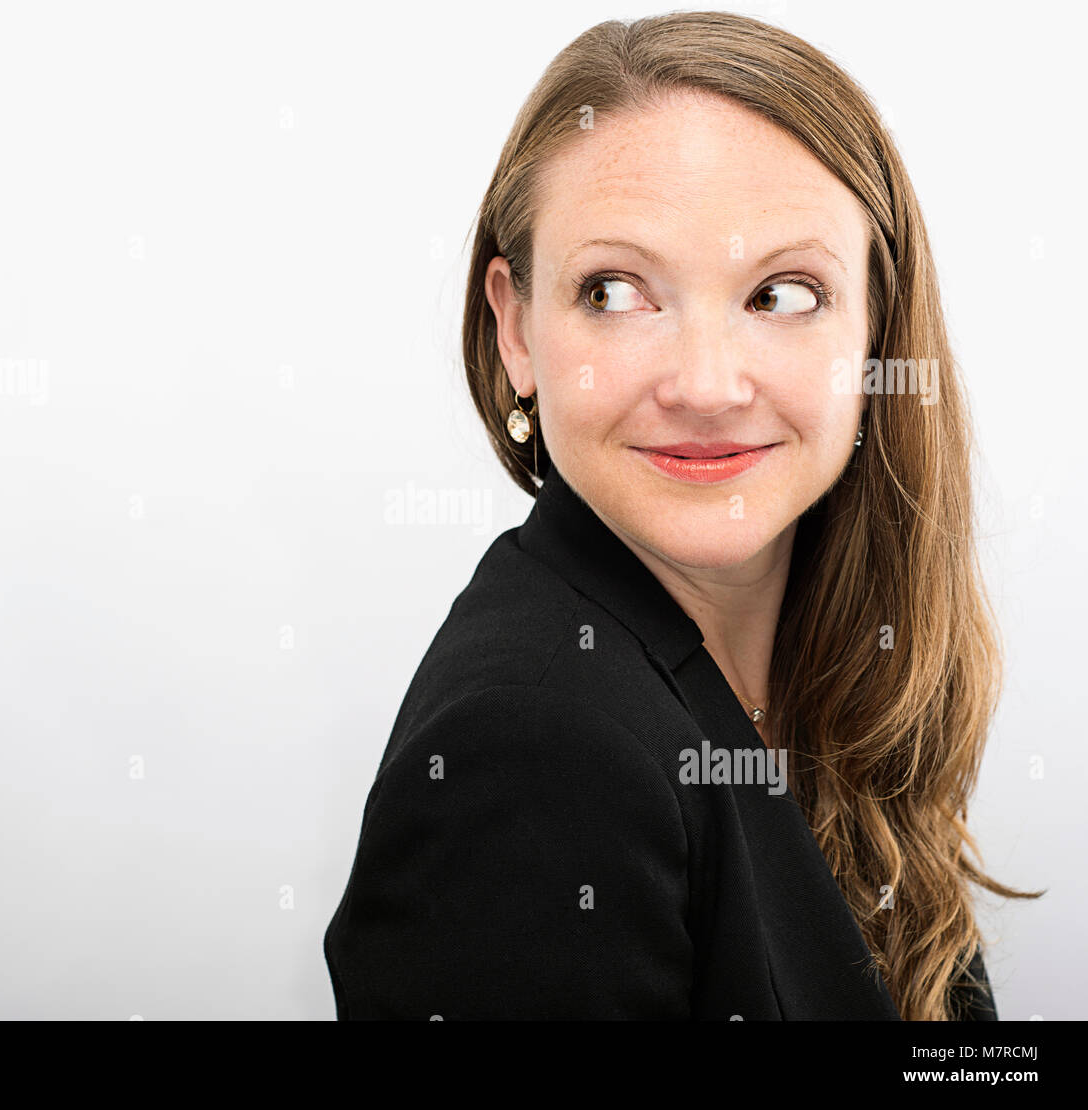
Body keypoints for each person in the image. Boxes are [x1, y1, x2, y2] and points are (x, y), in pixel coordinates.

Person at [324, 11, 1039, 1020]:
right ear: (516, 327)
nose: (705, 385)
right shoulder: (531, 752)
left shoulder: (827, 675)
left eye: (782, 295)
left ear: (876, 326)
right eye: (614, 291)